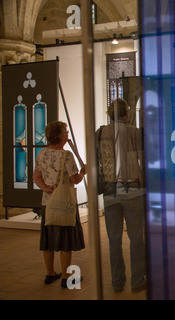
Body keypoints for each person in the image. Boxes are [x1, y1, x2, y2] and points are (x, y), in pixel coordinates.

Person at [96, 98, 146, 293]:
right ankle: (137, 280)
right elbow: (142, 157)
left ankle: (117, 282)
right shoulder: (134, 132)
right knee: (136, 238)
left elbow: (96, 160)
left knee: (114, 239)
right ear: (126, 113)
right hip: (132, 189)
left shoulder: (100, 133)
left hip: (109, 190)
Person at [33, 121, 86, 288]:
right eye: (66, 131)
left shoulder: (41, 153)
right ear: (61, 136)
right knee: (65, 240)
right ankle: (65, 276)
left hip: (48, 203)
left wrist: (47, 189)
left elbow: (36, 176)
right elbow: (75, 179)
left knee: (48, 239)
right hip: (65, 203)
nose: (68, 134)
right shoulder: (67, 155)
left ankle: (49, 274)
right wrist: (84, 171)